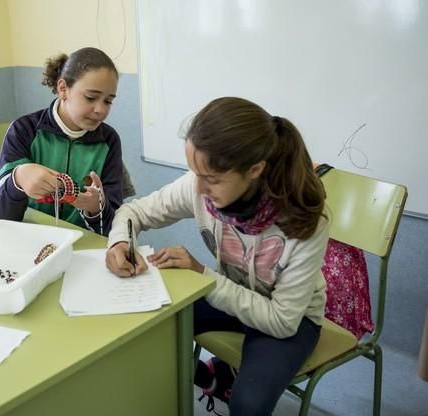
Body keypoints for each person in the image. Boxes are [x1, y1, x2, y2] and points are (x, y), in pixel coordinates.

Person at [105, 97, 328, 415]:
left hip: (291, 320)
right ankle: (209, 378)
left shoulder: (304, 222)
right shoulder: (202, 185)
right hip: (232, 295)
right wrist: (118, 243)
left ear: (255, 169)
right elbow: (134, 211)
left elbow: (281, 321)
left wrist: (203, 275)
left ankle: (223, 377)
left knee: (248, 405)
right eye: (194, 172)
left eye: (211, 179)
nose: (198, 188)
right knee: (148, 326)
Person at [0, 47, 123, 235]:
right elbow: (0, 214)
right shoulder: (24, 130)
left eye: (108, 101)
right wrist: (17, 179)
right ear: (63, 89)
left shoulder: (108, 141)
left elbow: (113, 225)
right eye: (91, 97)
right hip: (29, 241)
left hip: (83, 247)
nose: (101, 109)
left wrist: (96, 208)